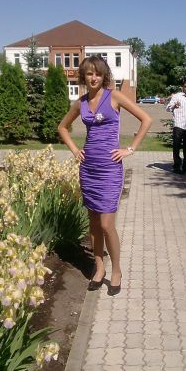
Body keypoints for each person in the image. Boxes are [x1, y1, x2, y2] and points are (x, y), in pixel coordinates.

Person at [58, 55, 152, 296]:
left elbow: (146, 119)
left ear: (104, 76)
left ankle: (116, 271)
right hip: (88, 168)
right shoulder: (80, 103)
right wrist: (75, 149)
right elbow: (62, 127)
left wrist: (130, 149)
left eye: (98, 74)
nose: (94, 78)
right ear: (83, 76)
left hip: (110, 169)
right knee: (93, 223)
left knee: (106, 224)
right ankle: (99, 268)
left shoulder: (115, 97)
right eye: (89, 73)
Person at [166, 79, 186, 173]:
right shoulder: (177, 96)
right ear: (182, 87)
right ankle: (177, 167)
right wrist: (174, 106)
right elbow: (167, 108)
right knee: (177, 147)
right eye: (185, 86)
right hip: (179, 125)